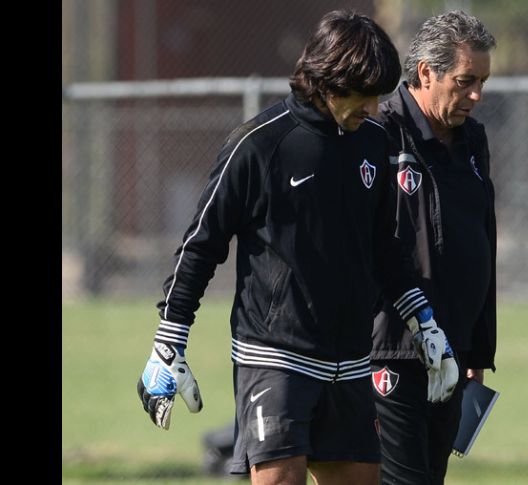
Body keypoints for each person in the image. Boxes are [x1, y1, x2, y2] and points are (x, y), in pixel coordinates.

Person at [135, 10, 459, 485]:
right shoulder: (259, 145)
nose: (374, 109)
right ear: (330, 80)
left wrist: (423, 323)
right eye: (364, 96)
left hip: (351, 360)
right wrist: (169, 342)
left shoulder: (373, 142)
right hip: (275, 357)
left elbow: (384, 246)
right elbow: (200, 245)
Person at [369, 11, 498, 485]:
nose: (476, 95)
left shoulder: (473, 142)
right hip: (392, 351)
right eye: (466, 81)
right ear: (426, 72)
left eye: (482, 82)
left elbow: (484, 241)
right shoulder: (379, 132)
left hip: (453, 353)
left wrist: (477, 354)